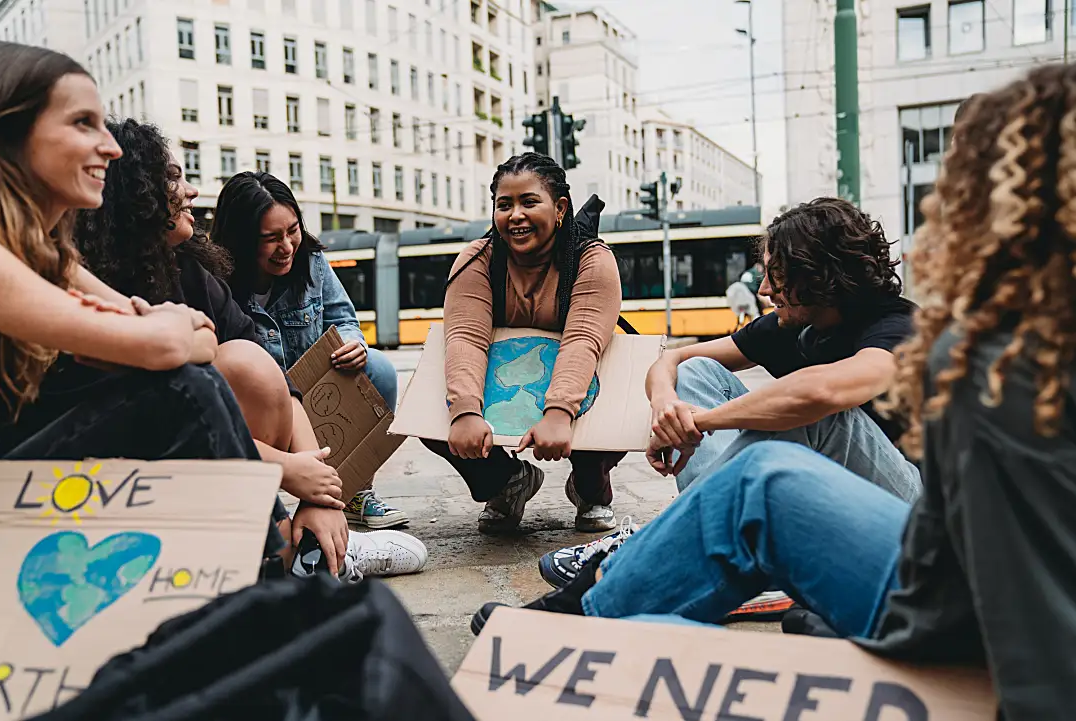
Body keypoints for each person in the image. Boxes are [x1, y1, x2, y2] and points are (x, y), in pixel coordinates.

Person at [475, 63, 1076, 719]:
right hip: (949, 576)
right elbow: (674, 357)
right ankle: (581, 613)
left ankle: (599, 606)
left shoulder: (951, 341)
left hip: (979, 625)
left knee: (677, 649)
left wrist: (701, 421)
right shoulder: (998, 335)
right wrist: (675, 398)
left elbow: (842, 390)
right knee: (763, 473)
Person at [72, 118, 427, 580]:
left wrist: (316, 490)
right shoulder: (83, 284)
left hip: (223, 449)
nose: (192, 191)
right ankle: (290, 554)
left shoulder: (191, 269)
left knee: (257, 365)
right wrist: (285, 470)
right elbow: (167, 422)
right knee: (223, 374)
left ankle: (305, 547)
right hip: (127, 473)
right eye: (175, 179)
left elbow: (281, 380)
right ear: (134, 194)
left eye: (292, 232)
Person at [0, 42, 304, 567]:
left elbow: (193, 339)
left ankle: (267, 572)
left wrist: (167, 336)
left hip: (32, 473)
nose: (109, 147)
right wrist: (165, 334)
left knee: (189, 381)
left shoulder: (48, 254)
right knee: (184, 391)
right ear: (13, 136)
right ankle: (270, 577)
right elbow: (165, 343)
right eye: (82, 124)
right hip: (14, 489)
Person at [644, 197, 922, 500]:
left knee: (821, 413)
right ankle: (716, 519)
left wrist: (698, 422)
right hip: (828, 496)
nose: (763, 290)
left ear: (815, 275)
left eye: (774, 274)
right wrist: (666, 409)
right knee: (696, 371)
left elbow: (820, 394)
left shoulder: (898, 325)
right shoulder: (792, 324)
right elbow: (671, 358)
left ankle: (691, 521)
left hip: (909, 507)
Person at [422, 153, 624, 533]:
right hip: (505, 384)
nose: (515, 215)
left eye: (529, 202)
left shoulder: (592, 260)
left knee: (619, 391)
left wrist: (560, 413)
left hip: (578, 384)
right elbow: (465, 336)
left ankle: (589, 487)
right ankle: (509, 481)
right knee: (433, 409)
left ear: (560, 207)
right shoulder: (477, 259)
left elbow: (583, 340)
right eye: (504, 205)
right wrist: (464, 411)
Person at [210, 171, 408, 531]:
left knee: (377, 367)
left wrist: (353, 344)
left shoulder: (312, 261)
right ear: (240, 241)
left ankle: (353, 492)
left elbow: (344, 319)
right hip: (259, 416)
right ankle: (263, 508)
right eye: (270, 238)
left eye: (292, 230)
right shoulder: (214, 281)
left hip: (317, 403)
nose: (286, 246)